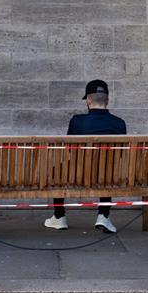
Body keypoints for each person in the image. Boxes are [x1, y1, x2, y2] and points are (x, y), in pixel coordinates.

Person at [44, 79, 126, 234]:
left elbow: (70, 150)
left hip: (78, 174)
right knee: (107, 168)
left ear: (88, 100)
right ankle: (103, 215)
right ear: (107, 100)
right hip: (107, 176)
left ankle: (59, 216)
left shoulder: (77, 121)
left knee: (56, 171)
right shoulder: (119, 123)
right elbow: (120, 154)